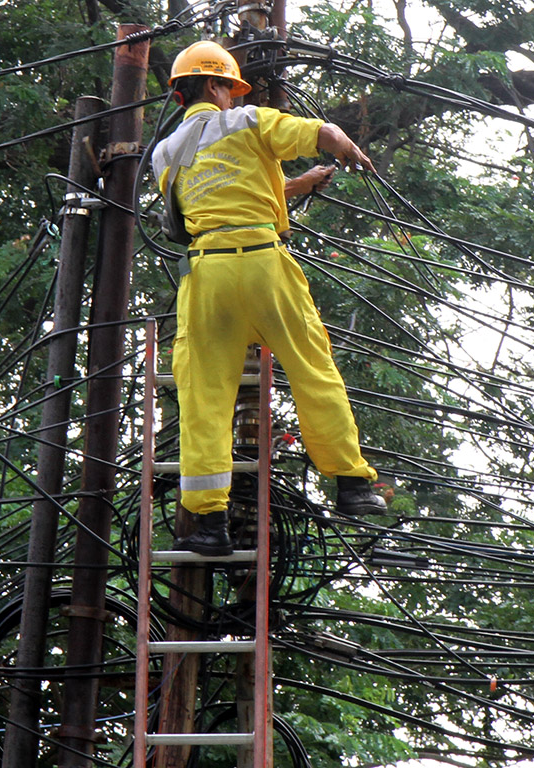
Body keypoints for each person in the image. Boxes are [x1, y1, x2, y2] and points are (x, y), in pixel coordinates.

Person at [152, 40, 386, 556]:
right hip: (262, 262)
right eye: (231, 89)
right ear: (216, 86)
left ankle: (209, 524)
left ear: (180, 94)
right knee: (311, 368)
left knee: (204, 396)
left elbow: (204, 206)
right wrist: (347, 149)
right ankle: (352, 485)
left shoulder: (165, 152)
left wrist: (297, 185)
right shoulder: (248, 121)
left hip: (207, 274)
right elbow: (320, 133)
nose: (235, 98)